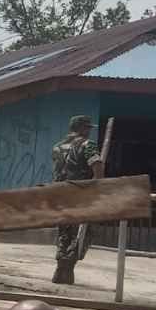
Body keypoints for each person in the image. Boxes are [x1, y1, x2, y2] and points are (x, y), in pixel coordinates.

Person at [51, 115, 105, 285]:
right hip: (81, 195)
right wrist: (97, 190)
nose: (89, 131)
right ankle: (67, 267)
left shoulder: (57, 147)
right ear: (81, 128)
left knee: (64, 233)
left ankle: (60, 267)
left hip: (61, 195)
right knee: (83, 233)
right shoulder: (88, 145)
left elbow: (58, 171)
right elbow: (97, 168)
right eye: (88, 128)